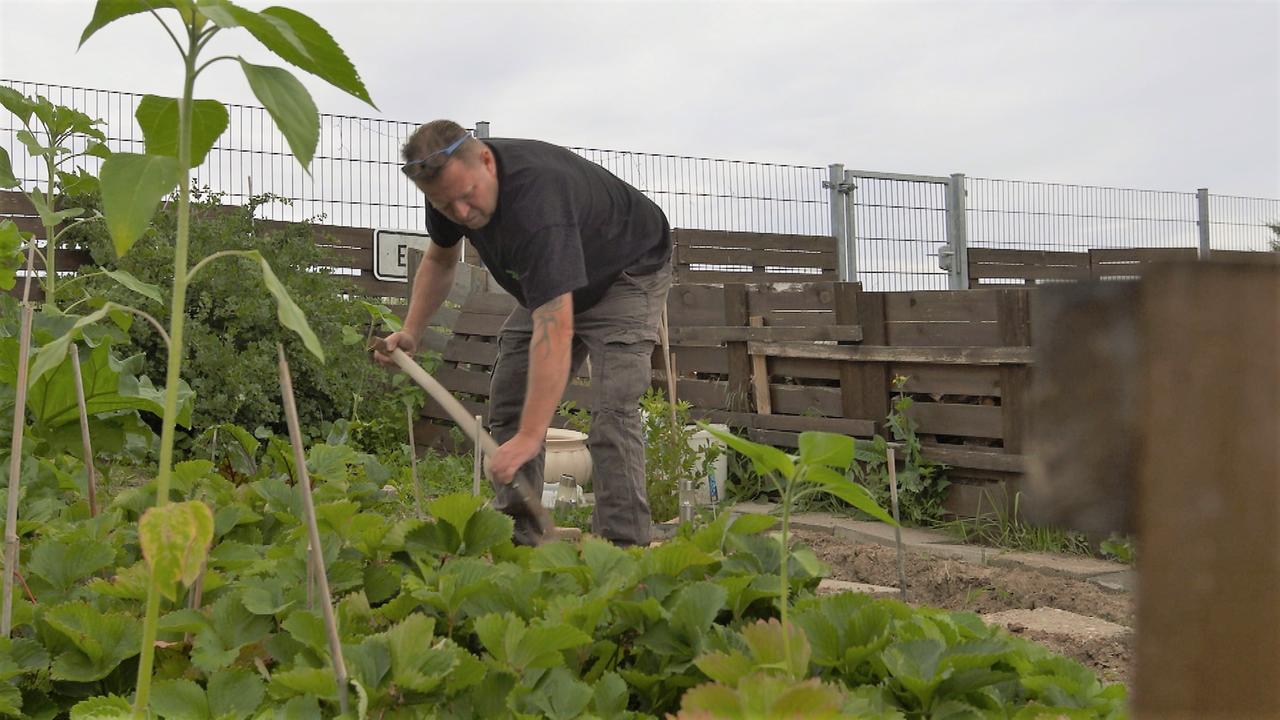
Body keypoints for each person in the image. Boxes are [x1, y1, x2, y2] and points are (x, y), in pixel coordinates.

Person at [376, 120, 672, 547]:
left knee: (613, 410)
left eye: (466, 196)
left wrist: (534, 436)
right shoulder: (446, 192)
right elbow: (441, 260)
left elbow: (555, 326)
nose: (460, 214)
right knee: (511, 398)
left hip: (626, 270)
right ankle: (521, 532)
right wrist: (411, 331)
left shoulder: (538, 201)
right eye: (445, 206)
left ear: (486, 160)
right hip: (556, 281)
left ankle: (622, 548)